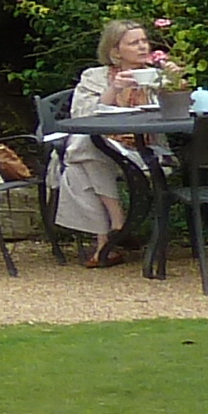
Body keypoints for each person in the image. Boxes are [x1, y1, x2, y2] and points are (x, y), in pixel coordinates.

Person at [51, 16, 170, 266]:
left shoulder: (159, 75)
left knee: (78, 160)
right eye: (134, 43)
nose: (143, 46)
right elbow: (82, 117)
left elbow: (180, 109)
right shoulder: (94, 76)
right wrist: (114, 89)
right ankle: (117, 226)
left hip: (145, 150)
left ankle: (107, 242)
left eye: (144, 41)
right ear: (115, 51)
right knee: (87, 147)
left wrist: (173, 83)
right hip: (105, 149)